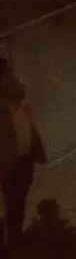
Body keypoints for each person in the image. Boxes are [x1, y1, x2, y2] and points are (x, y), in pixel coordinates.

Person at [0, 77, 46, 245]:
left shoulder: (23, 110)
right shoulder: (4, 114)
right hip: (11, 165)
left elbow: (30, 132)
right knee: (11, 204)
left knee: (19, 201)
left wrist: (38, 153)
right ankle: (12, 239)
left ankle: (15, 237)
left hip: (24, 164)